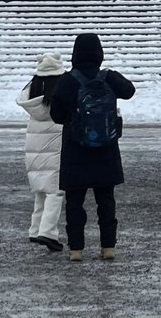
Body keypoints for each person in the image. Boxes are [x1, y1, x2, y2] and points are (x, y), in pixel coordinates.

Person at [50, 33, 136, 262]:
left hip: (75, 150)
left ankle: (76, 250)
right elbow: (129, 91)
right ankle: (108, 247)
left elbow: (56, 115)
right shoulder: (108, 77)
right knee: (106, 201)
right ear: (99, 53)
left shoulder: (68, 81)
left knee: (75, 203)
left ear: (75, 54)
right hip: (106, 150)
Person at [18, 53, 68, 251]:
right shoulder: (61, 90)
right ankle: (47, 232)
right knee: (56, 191)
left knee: (40, 190)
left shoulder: (33, 89)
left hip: (35, 146)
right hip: (55, 145)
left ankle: (35, 229)